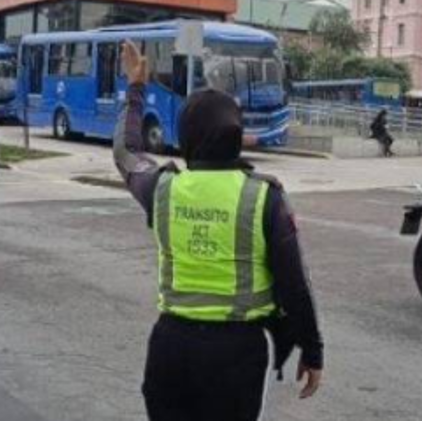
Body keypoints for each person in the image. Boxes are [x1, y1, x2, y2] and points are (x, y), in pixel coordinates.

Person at [112, 42, 323, 420]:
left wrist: (136, 87)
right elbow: (295, 282)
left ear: (188, 137)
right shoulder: (264, 196)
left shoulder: (163, 189)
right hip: (238, 354)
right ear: (234, 134)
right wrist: (312, 349)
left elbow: (126, 151)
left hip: (170, 348)